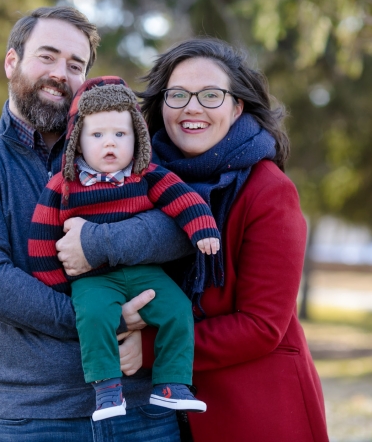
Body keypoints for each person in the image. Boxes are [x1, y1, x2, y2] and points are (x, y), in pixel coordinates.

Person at [0, 6, 192, 441]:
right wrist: (108, 320)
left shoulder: (123, 149)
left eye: (75, 66)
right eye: (47, 56)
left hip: (141, 412)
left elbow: (179, 229)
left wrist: (99, 241)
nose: (61, 73)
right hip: (36, 415)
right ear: (11, 61)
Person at [137, 38, 330, 441]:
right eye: (178, 95)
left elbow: (261, 325)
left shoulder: (268, 190)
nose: (192, 107)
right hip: (163, 415)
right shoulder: (143, 181)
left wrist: (148, 349)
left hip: (255, 410)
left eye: (211, 95)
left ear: (236, 106)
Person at [27, 76, 218, 421]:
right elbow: (40, 237)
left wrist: (202, 227)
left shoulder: (146, 175)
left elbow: (184, 199)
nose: (109, 144)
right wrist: (60, 286)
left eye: (120, 134)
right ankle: (106, 390)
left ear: (138, 138)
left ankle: (172, 384)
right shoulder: (64, 185)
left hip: (144, 272)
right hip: (93, 279)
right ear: (78, 142)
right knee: (96, 316)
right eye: (97, 135)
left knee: (177, 308)